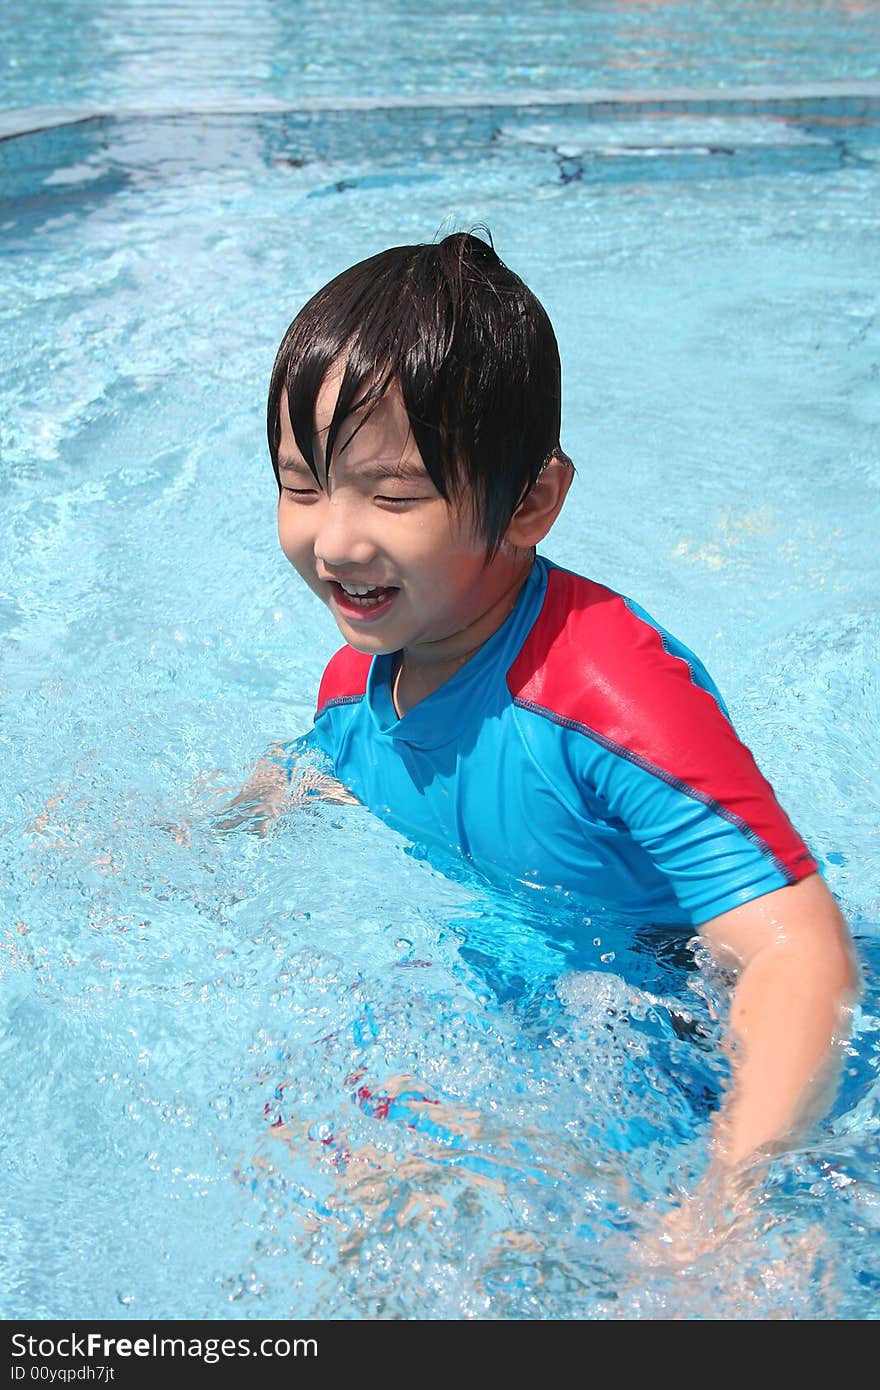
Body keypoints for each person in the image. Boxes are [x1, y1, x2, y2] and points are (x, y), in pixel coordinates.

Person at [256, 230, 856, 1181]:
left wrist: (725, 1205)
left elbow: (800, 954)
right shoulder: (354, 690)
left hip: (699, 1044)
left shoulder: (605, 697)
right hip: (541, 1004)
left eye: (395, 497)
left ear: (532, 503)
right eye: (302, 485)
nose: (334, 541)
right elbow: (307, 769)